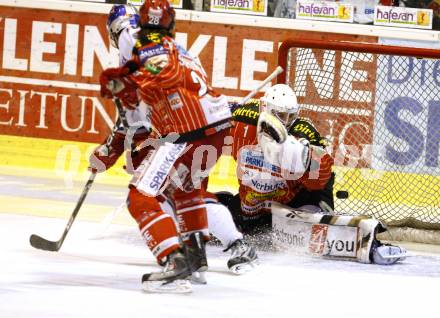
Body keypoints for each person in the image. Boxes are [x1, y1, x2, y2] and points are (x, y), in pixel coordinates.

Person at [98, 0, 256, 293]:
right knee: (186, 191)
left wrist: (127, 86)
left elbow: (157, 80)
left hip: (186, 130)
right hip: (217, 127)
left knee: (141, 196)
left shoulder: (139, 40)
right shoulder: (172, 45)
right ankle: (195, 261)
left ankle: (174, 263)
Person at [218, 83, 407, 265]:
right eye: (280, 115)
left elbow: (322, 176)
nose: (286, 122)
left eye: (290, 116)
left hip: (295, 200)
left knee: (317, 231)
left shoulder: (303, 132)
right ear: (267, 111)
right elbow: (218, 111)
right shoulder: (243, 119)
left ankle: (330, 219)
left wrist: (305, 160)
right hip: (254, 203)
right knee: (223, 222)